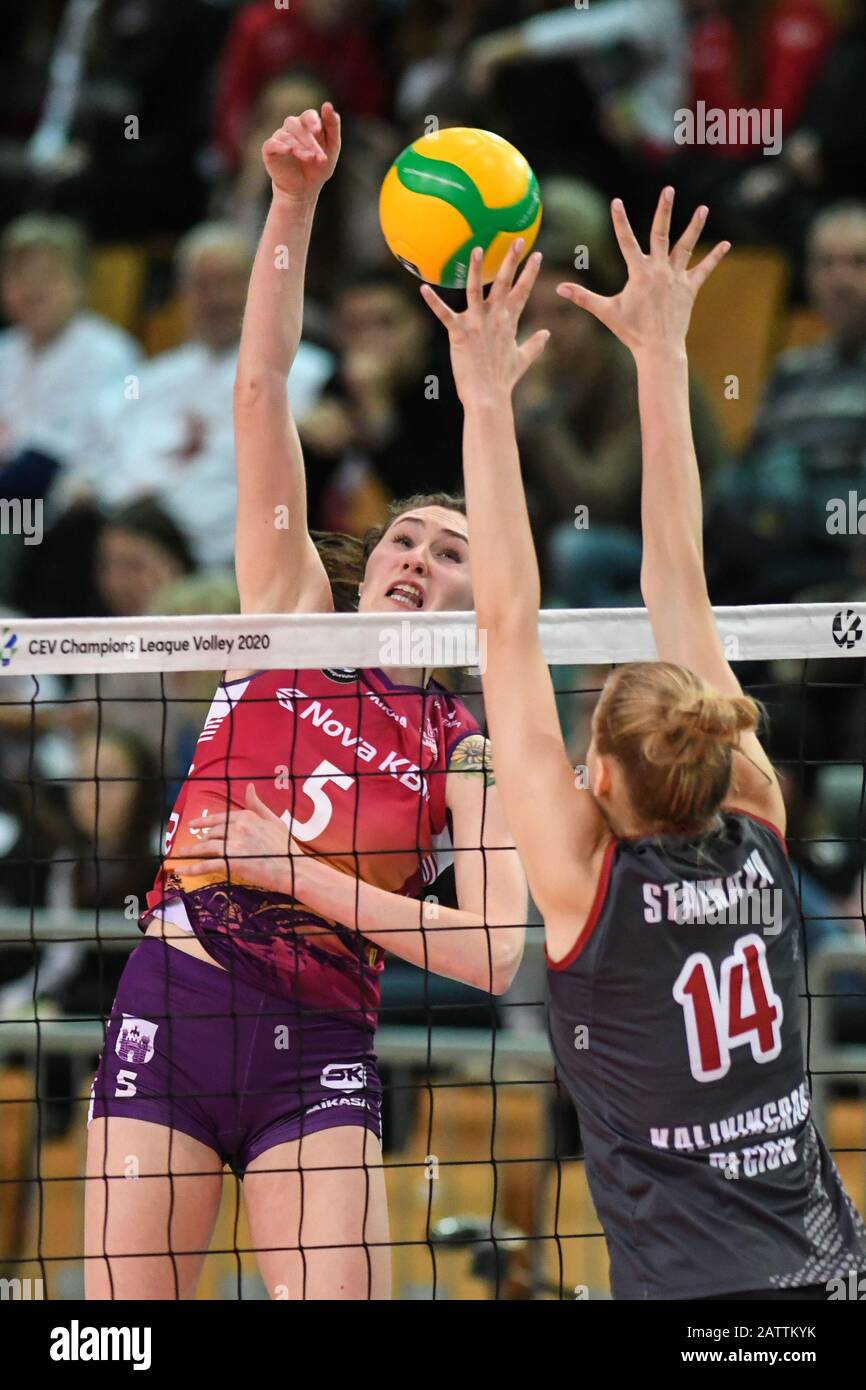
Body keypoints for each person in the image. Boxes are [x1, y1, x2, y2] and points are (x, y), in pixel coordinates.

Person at [84, 103, 527, 1302]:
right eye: (405, 536)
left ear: (476, 597)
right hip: (174, 1002)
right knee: (115, 1333)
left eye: (449, 552)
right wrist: (291, 205)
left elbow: (491, 950)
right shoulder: (285, 610)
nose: (415, 557)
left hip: (321, 1042)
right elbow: (261, 387)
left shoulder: (467, 747)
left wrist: (291, 870)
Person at [420, 190, 866, 1298]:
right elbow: (673, 580)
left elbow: (507, 615)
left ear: (600, 776)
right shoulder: (757, 820)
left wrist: (483, 396)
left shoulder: (589, 887)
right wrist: (664, 350)